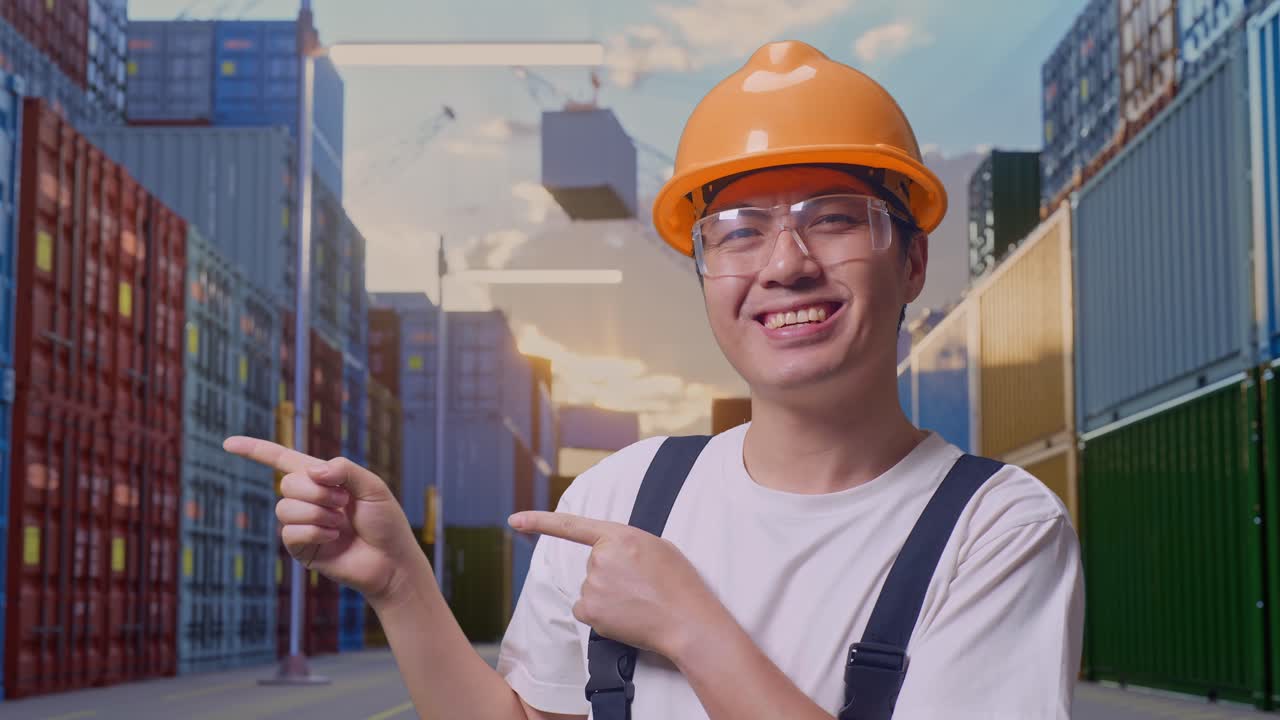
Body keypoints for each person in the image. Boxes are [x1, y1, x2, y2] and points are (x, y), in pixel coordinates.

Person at [225, 40, 1083, 720]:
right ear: (705, 270)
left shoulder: (997, 529)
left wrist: (691, 626)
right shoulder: (621, 496)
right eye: (740, 231)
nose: (786, 263)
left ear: (914, 261)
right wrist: (400, 584)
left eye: (833, 220)